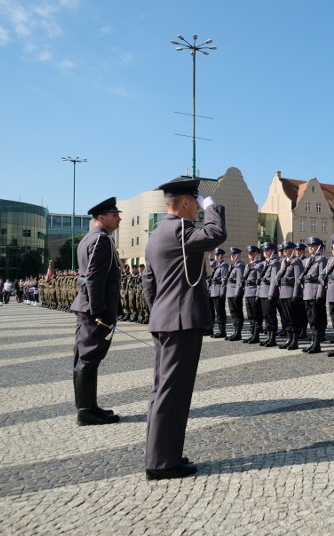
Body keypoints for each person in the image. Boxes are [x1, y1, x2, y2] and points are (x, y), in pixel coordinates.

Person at [142, 178, 226, 480]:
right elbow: (216, 232)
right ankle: (162, 463)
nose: (199, 208)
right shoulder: (179, 230)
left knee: (163, 390)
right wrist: (212, 206)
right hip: (180, 321)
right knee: (173, 393)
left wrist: (160, 313)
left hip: (166, 319)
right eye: (197, 202)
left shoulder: (156, 234)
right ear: (187, 203)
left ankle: (164, 454)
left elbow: (148, 283)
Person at [69, 196, 123, 426]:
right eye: (114, 215)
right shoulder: (102, 240)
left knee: (84, 357)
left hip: (86, 308)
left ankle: (88, 407)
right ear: (101, 217)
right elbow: (93, 278)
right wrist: (99, 312)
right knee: (88, 358)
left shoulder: (89, 239)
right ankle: (86, 411)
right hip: (94, 311)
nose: (119, 218)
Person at [301, 237, 328, 353]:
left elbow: (322, 278)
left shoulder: (321, 260)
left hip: (315, 293)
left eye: (313, 245)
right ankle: (313, 342)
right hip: (307, 293)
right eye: (310, 246)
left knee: (316, 319)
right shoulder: (308, 260)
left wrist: (319, 295)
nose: (310, 247)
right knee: (311, 319)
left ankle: (317, 343)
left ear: (319, 247)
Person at [258, 243, 281, 347]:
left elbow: (273, 280)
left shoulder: (275, 263)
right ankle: (268, 336)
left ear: (272, 251)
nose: (265, 252)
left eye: (267, 250)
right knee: (265, 316)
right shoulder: (266, 263)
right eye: (264, 250)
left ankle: (272, 338)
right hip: (263, 293)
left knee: (271, 316)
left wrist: (271, 294)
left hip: (269, 293)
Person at [242, 246, 264, 344]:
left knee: (256, 315)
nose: (250, 255)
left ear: (257, 254)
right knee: (250, 315)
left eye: (252, 253)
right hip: (247, 292)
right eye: (249, 253)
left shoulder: (260, 265)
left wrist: (258, 294)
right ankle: (252, 334)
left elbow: (260, 281)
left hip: (255, 292)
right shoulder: (248, 266)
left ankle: (256, 335)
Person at [225, 247, 245, 341]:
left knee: (237, 313)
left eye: (233, 255)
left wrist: (238, 294)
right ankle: (235, 331)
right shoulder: (232, 266)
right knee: (233, 313)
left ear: (237, 255)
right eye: (231, 255)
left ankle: (238, 333)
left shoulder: (240, 266)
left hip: (235, 293)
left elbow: (239, 281)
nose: (232, 256)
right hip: (230, 293)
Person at [209, 248, 229, 338]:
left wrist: (222, 293)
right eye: (215, 255)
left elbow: (224, 280)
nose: (215, 256)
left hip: (218, 292)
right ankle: (214, 329)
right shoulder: (216, 265)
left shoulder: (224, 265)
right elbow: (211, 264)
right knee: (214, 312)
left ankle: (222, 331)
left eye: (217, 255)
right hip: (213, 291)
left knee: (220, 312)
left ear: (221, 255)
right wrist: (209, 256)